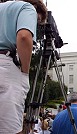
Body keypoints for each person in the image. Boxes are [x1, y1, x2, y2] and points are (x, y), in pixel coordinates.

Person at [0, 0, 47, 133]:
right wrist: (24, 72)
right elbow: (24, 36)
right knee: (9, 129)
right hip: (4, 64)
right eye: (37, 22)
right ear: (37, 10)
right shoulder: (28, 8)